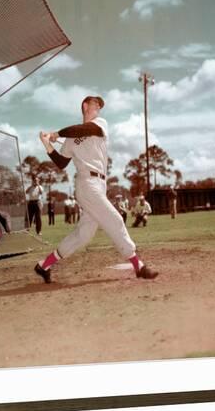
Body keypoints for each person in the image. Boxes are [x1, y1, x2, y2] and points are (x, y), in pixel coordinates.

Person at [33, 95, 158, 283]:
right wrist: (47, 144)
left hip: (99, 185)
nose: (99, 106)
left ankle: (44, 265)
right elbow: (61, 163)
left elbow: (85, 129)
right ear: (85, 106)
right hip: (87, 183)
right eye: (95, 104)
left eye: (100, 105)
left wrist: (57, 134)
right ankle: (138, 265)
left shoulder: (99, 124)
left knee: (83, 235)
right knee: (115, 219)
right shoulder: (70, 139)